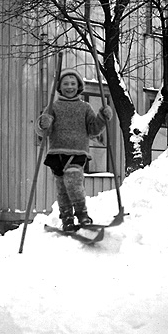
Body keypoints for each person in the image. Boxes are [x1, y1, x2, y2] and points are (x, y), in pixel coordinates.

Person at [36, 70, 113, 231]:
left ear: (79, 86)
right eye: (65, 84)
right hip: (57, 154)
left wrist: (102, 117)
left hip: (77, 153)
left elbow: (93, 130)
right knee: (62, 189)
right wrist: (43, 123)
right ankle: (67, 219)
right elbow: (42, 132)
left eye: (73, 84)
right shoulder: (53, 107)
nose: (69, 87)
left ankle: (82, 215)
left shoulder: (85, 107)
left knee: (73, 183)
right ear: (59, 87)